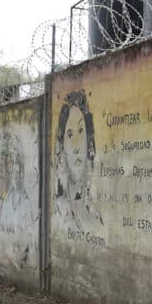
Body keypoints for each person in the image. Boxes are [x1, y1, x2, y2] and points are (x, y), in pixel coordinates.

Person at [55, 90, 103, 231]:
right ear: (62, 145)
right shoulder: (60, 211)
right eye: (70, 135)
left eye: (81, 131)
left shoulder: (92, 214)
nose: (77, 146)